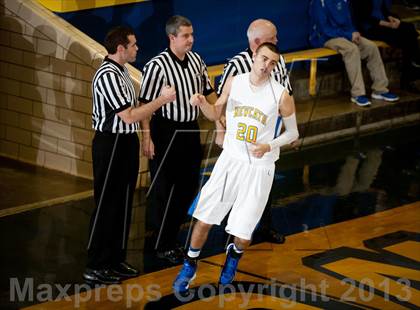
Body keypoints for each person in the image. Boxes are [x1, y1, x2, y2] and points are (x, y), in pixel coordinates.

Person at [173, 42, 299, 294]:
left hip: (259, 168)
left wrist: (269, 145)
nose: (266, 66)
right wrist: (201, 103)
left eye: (272, 62)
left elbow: (294, 133)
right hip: (230, 161)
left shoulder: (281, 95)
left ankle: (233, 257)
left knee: (243, 235)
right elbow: (214, 113)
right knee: (204, 218)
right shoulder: (235, 82)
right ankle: (189, 265)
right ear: (254, 56)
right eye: (263, 59)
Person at [83, 26, 176, 285]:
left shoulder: (122, 71)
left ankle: (115, 258)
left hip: (125, 142)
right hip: (110, 144)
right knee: (107, 204)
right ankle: (96, 263)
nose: (137, 48)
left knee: (123, 203)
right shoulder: (107, 75)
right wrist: (162, 99)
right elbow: (129, 115)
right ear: (121, 48)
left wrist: (146, 136)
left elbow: (135, 109)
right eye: (134, 45)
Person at [139, 15, 217, 264]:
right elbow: (144, 105)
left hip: (190, 130)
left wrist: (219, 121)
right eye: (185, 36)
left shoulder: (196, 61)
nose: (191, 40)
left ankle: (171, 237)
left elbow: (208, 92)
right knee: (164, 189)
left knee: (187, 187)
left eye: (192, 35)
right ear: (172, 37)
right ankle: (160, 244)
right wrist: (147, 138)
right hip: (165, 131)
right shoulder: (157, 66)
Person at [216, 18, 294, 244]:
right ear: (257, 42)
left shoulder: (278, 61)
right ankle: (232, 233)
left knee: (265, 184)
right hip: (241, 141)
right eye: (272, 38)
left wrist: (286, 130)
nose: (277, 41)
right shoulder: (236, 65)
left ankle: (264, 227)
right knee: (239, 186)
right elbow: (220, 105)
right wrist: (221, 132)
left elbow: (287, 95)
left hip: (268, 139)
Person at [309, 0, 399, 107]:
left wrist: (354, 33)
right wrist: (348, 35)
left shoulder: (343, 1)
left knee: (371, 47)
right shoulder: (319, 2)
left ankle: (380, 89)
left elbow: (348, 21)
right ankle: (357, 94)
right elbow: (324, 29)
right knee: (352, 49)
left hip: (345, 35)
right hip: (327, 38)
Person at [351, 0, 420, 92]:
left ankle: (412, 67)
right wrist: (387, 24)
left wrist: (391, 18)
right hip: (370, 28)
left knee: (409, 29)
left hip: (384, 23)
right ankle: (410, 72)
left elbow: (382, 9)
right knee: (407, 38)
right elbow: (363, 17)